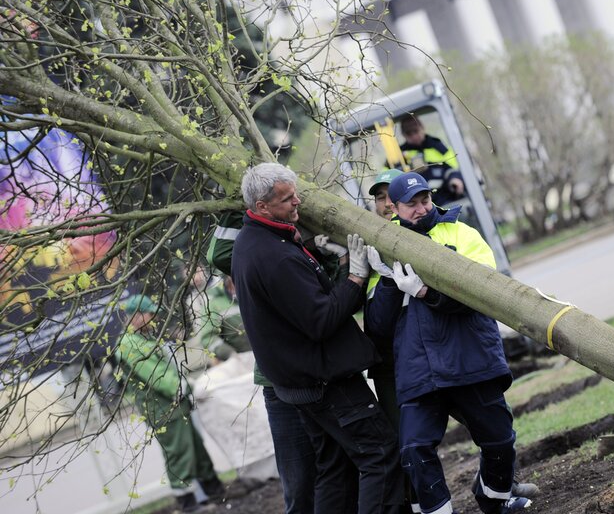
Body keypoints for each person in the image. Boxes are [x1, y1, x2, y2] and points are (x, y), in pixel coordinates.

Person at [231, 162, 403, 514]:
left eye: (295, 193)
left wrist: (336, 264)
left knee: (335, 467)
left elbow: (306, 303)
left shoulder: (256, 242)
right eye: (286, 199)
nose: (297, 202)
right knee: (380, 454)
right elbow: (321, 320)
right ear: (261, 206)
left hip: (304, 382)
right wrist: (355, 277)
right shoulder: (274, 256)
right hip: (327, 381)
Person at [365, 172, 532, 514]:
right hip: (420, 369)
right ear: (394, 208)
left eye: (424, 200)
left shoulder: (461, 232)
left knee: (500, 441)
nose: (420, 208)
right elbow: (378, 327)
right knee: (414, 450)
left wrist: (425, 292)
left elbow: (484, 292)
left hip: (470, 357)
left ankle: (495, 499)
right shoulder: (385, 245)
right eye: (410, 204)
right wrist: (386, 282)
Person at [115, 294, 224, 513]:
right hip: (164, 410)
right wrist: (183, 387)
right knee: (179, 454)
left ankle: (216, 492)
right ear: (136, 317)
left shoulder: (143, 338)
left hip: (176, 406)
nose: (153, 317)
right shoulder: (129, 344)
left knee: (196, 449)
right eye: (149, 313)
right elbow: (156, 375)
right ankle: (188, 504)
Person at [399, 115, 465, 207]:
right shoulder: (399, 155)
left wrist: (455, 179)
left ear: (422, 129)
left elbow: (453, 168)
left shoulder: (439, 147)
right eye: (409, 133)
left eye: (416, 131)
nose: (414, 136)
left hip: (445, 197)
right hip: (416, 203)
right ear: (404, 135)